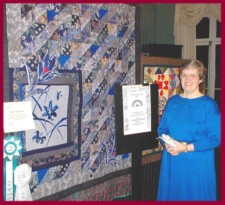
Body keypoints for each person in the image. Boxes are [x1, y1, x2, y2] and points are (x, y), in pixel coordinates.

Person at [157, 59, 221, 201]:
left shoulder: (209, 105)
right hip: (172, 160)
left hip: (197, 165)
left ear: (200, 79)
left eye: (193, 75)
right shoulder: (173, 101)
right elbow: (162, 128)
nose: (188, 79)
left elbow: (215, 139)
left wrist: (184, 147)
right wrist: (167, 143)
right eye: (184, 75)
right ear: (180, 77)